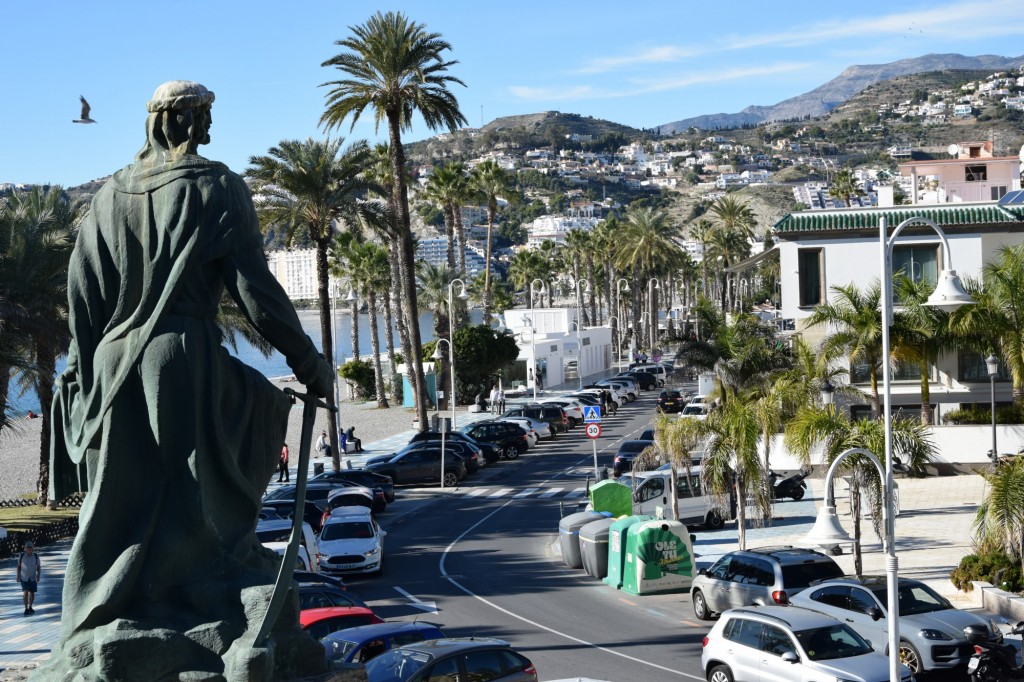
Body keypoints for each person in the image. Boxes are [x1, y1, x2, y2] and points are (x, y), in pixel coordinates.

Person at [46, 81, 333, 679]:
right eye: (203, 118)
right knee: (198, 482)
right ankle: (207, 590)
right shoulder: (216, 186)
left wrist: (87, 372)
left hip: (112, 366)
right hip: (181, 354)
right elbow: (255, 291)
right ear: (180, 121)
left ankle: (115, 608)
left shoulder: (105, 199)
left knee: (125, 501)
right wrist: (308, 361)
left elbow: (83, 301)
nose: (209, 132)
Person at [17, 540, 41, 616]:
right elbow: (18, 566)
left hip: (33, 577)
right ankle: (26, 608)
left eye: (30, 547)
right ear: (25, 548)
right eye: (28, 547)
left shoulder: (36, 556)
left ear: (32, 548)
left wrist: (38, 575)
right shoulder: (21, 555)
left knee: (32, 593)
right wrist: (17, 576)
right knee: (25, 592)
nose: (29, 549)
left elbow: (39, 566)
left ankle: (30, 606)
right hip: (24, 577)